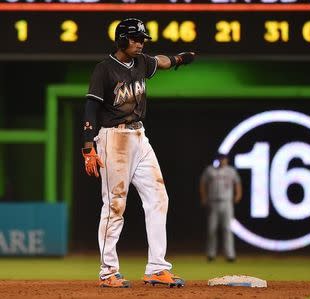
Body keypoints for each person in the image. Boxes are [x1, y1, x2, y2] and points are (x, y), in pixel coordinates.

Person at [81, 18, 195, 288]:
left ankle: (156, 267)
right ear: (121, 39)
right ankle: (108, 271)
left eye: (142, 38)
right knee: (114, 205)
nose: (140, 42)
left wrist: (179, 59)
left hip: (139, 137)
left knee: (158, 197)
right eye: (135, 38)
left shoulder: (142, 61)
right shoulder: (104, 69)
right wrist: (88, 146)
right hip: (113, 138)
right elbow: (90, 108)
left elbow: (162, 61)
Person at [199, 153, 242, 262]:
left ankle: (230, 255)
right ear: (217, 160)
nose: (223, 161)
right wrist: (204, 197)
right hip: (213, 202)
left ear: (227, 160)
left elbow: (237, 183)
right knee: (211, 229)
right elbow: (203, 183)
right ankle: (211, 254)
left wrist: (238, 194)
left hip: (227, 202)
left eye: (224, 159)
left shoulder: (231, 171)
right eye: (221, 159)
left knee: (227, 228)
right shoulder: (210, 170)